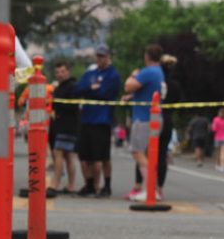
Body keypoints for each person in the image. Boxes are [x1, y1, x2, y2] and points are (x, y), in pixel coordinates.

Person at [76, 45, 122, 197]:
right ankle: (89, 185)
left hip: (102, 120)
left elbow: (105, 92)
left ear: (108, 57)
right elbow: (78, 89)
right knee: (85, 156)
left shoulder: (113, 75)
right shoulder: (90, 73)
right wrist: (91, 88)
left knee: (101, 157)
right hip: (87, 119)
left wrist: (91, 90)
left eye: (103, 56)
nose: (100, 59)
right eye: (98, 56)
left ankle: (106, 185)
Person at [122, 44, 165, 201]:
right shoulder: (159, 72)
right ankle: (153, 188)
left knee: (137, 152)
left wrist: (133, 75)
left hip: (144, 118)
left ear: (147, 56)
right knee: (148, 154)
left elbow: (128, 86)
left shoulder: (148, 72)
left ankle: (150, 188)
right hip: (154, 117)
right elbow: (148, 92)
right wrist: (132, 97)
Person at [50, 61, 81, 194]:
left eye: (62, 71)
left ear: (68, 72)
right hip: (60, 125)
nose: (60, 74)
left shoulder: (72, 86)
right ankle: (71, 185)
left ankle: (55, 183)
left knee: (58, 152)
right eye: (57, 72)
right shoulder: (58, 88)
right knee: (68, 156)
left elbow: (73, 105)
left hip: (69, 125)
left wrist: (59, 107)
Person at [156, 54, 181, 193]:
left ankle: (147, 185)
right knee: (162, 154)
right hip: (168, 119)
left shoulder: (156, 82)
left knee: (149, 153)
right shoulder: (175, 85)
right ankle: (159, 188)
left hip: (154, 119)